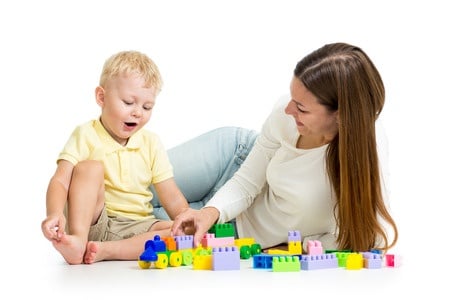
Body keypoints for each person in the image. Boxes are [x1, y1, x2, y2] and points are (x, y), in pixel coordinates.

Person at [158, 42, 399, 253]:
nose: (288, 110)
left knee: (124, 221)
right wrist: (209, 212)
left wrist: (310, 243)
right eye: (291, 98)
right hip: (233, 160)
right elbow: (247, 181)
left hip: (233, 229)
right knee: (125, 186)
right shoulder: (285, 115)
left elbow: (377, 234)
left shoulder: (369, 147)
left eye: (302, 108)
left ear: (340, 115)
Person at [41, 50, 191, 264]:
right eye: (129, 102)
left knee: (178, 232)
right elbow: (60, 180)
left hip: (138, 227)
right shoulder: (86, 134)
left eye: (147, 107)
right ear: (101, 97)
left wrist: (188, 219)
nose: (138, 112)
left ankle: (107, 250)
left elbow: (172, 196)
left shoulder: (151, 142)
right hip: (93, 221)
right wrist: (54, 213)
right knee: (89, 168)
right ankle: (78, 242)